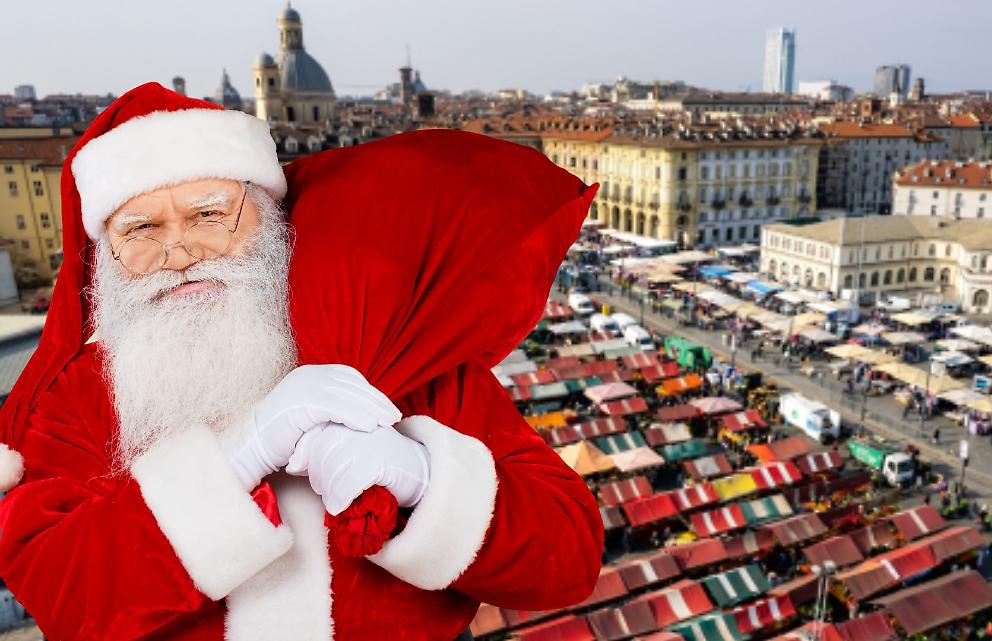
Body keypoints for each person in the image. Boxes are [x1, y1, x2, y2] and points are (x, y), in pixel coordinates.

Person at [0, 84, 602, 641]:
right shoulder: (76, 398)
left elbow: (568, 559)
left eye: (210, 215)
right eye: (140, 230)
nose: (179, 251)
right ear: (105, 257)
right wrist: (237, 458)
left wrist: (421, 477)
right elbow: (65, 600)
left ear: (271, 219)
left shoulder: (394, 350)